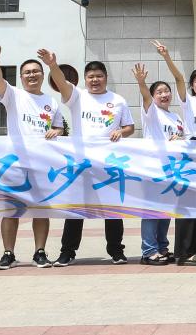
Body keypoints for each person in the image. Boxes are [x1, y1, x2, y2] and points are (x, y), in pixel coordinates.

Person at [41, 52, 135, 266]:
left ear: (106, 78)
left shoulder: (118, 100)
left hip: (108, 163)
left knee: (112, 209)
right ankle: (67, 251)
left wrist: (121, 132)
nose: (95, 80)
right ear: (85, 79)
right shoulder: (77, 96)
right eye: (91, 77)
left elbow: (129, 127)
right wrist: (53, 65)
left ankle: (116, 250)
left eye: (99, 76)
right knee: (76, 209)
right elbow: (60, 82)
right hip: (80, 163)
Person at [0, 38, 64, 270]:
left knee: (41, 210)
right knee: (11, 210)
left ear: (42, 75)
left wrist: (57, 131)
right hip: (15, 164)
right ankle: (8, 253)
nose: (32, 75)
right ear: (21, 77)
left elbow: (59, 127)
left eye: (36, 71)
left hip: (42, 164)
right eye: (27, 72)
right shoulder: (13, 95)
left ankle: (40, 252)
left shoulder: (51, 101)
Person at [154, 39, 196, 266]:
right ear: (192, 85)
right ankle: (183, 253)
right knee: (187, 205)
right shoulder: (188, 102)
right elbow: (178, 78)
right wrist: (167, 56)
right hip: (189, 158)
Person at [133, 62, 185, 265]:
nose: (164, 95)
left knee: (165, 212)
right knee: (151, 211)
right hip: (153, 169)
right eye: (159, 92)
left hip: (172, 171)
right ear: (153, 96)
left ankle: (162, 247)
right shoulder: (152, 112)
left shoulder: (176, 117)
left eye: (166, 91)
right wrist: (141, 83)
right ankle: (148, 251)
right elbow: (145, 98)